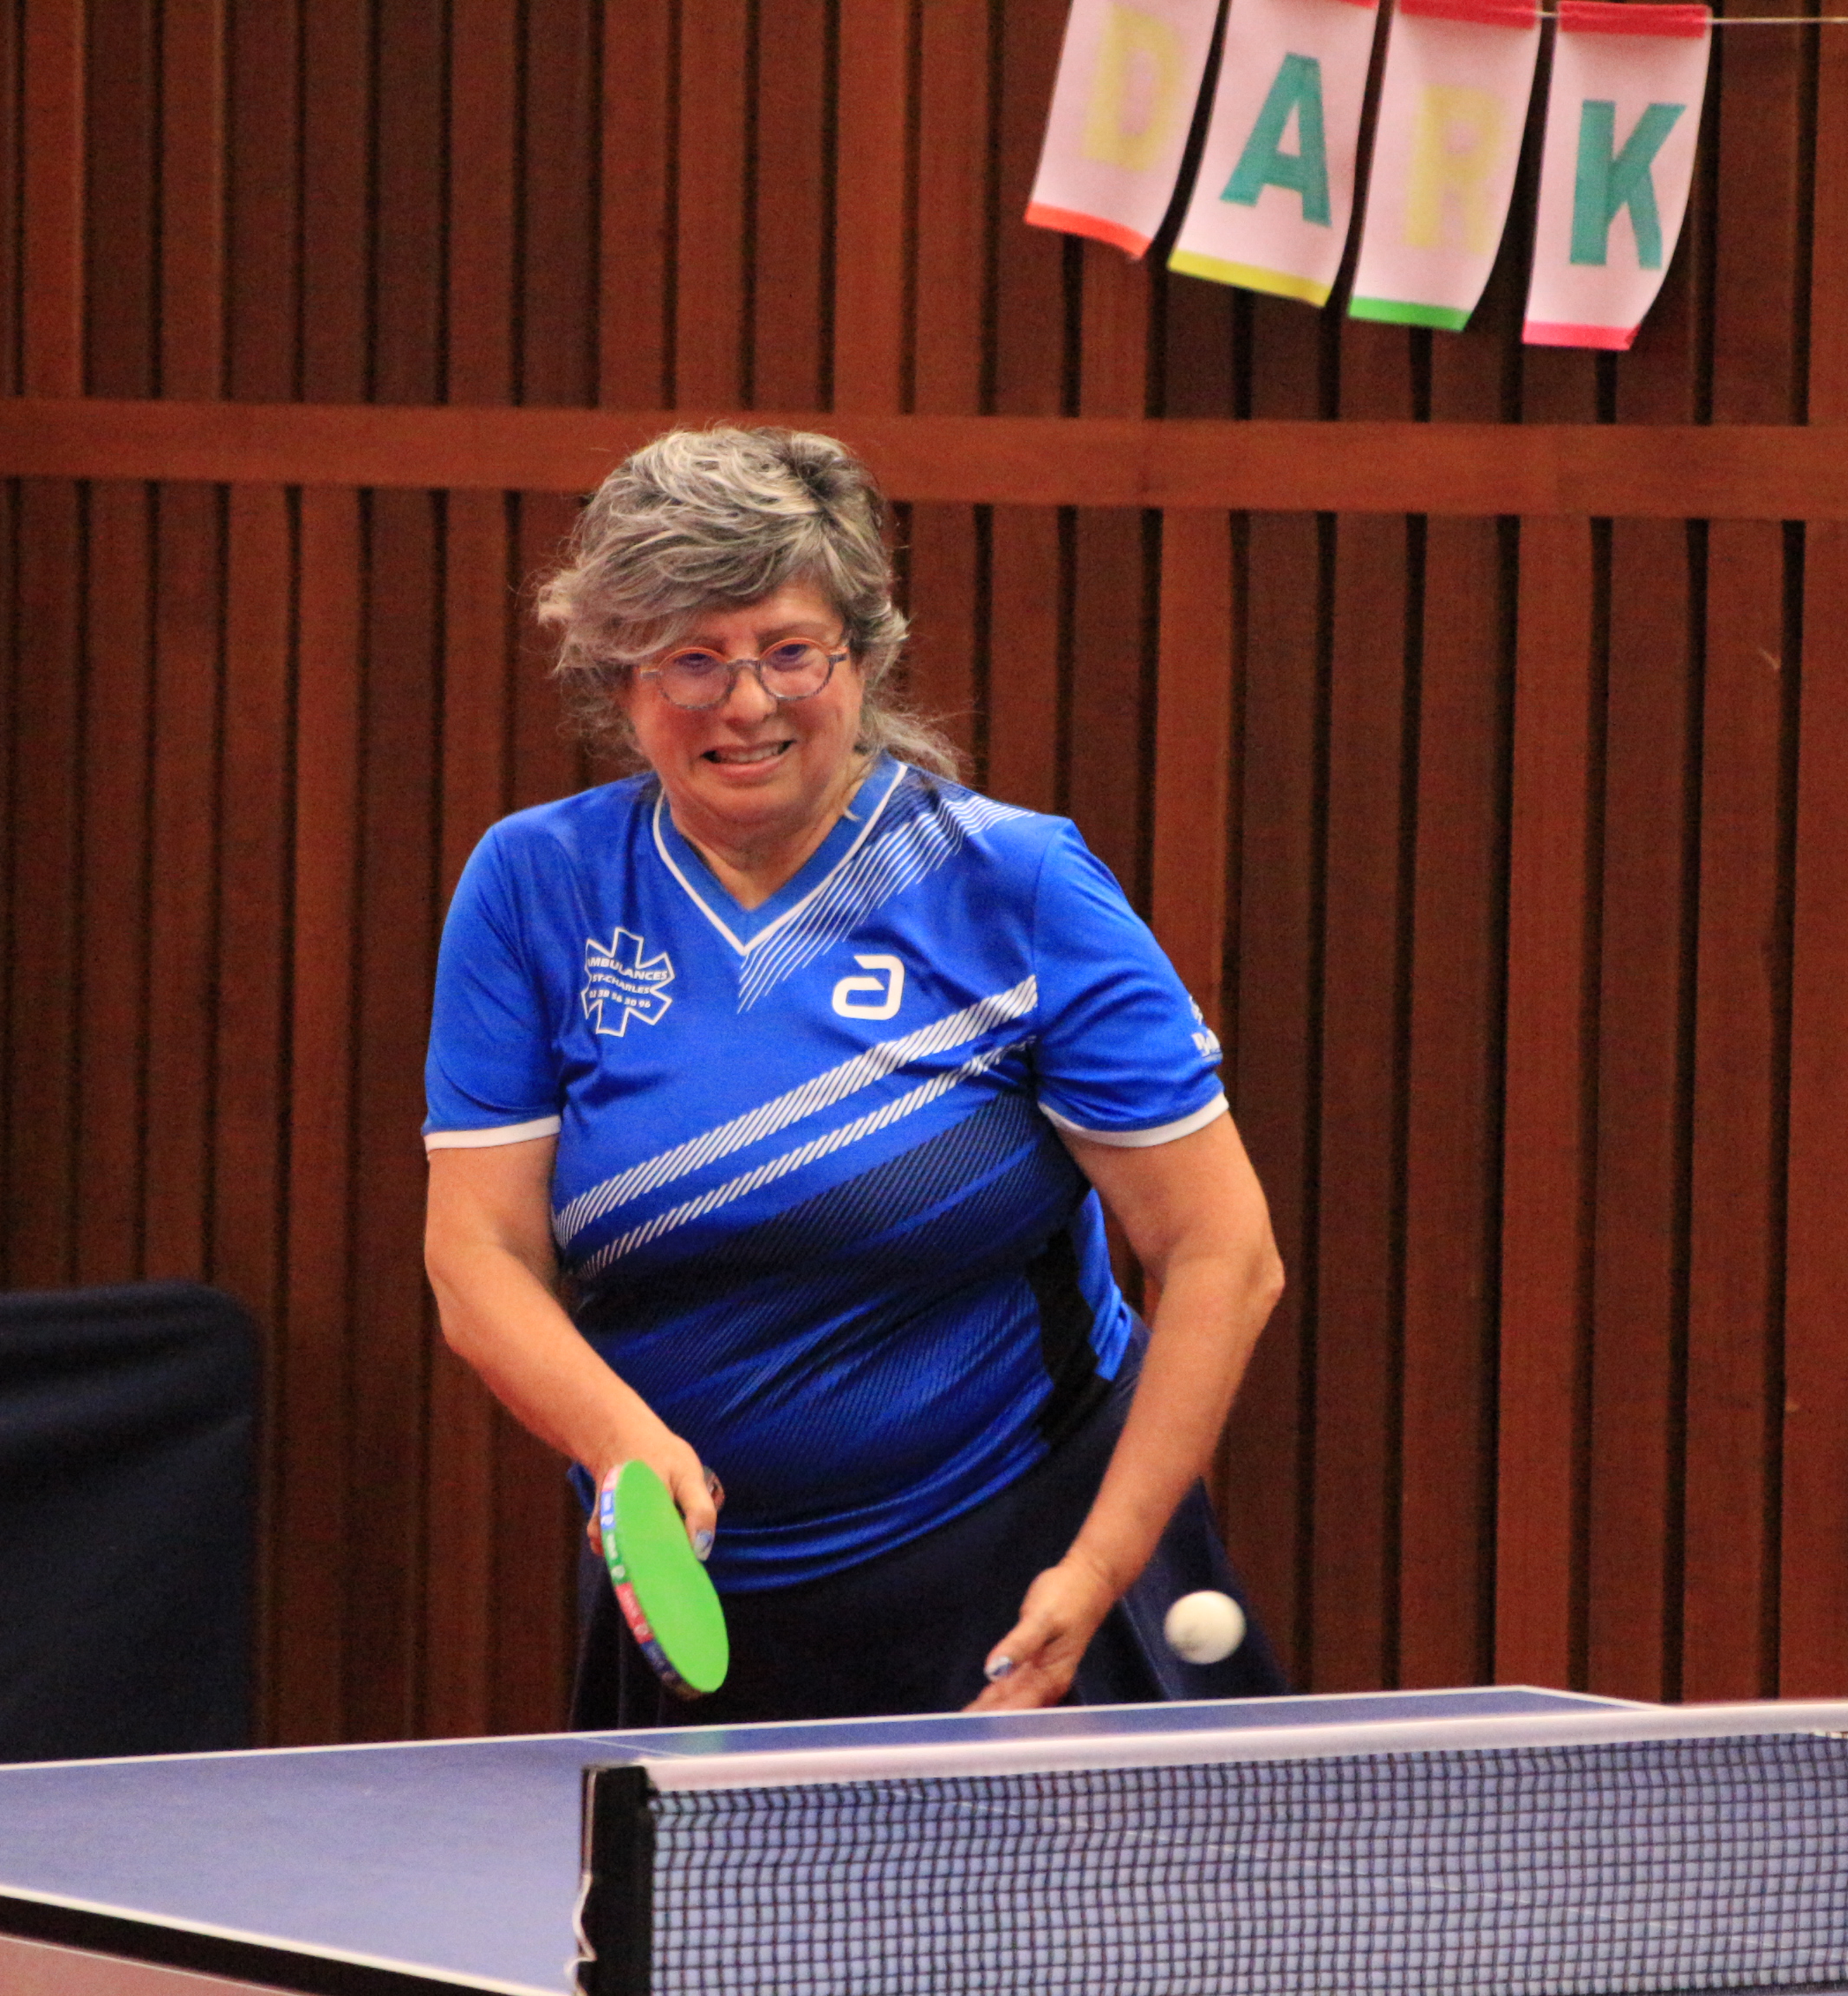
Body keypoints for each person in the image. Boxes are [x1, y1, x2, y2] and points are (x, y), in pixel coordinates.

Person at [419, 426, 1287, 1725]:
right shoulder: (538, 885)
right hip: (702, 1587)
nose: (746, 703)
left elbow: (1223, 1251)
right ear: (619, 681)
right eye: (691, 659)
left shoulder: (1012, 885)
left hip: (1022, 1564)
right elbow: (477, 1255)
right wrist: (619, 1439)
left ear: (863, 658)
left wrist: (1102, 1565)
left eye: (789, 651)